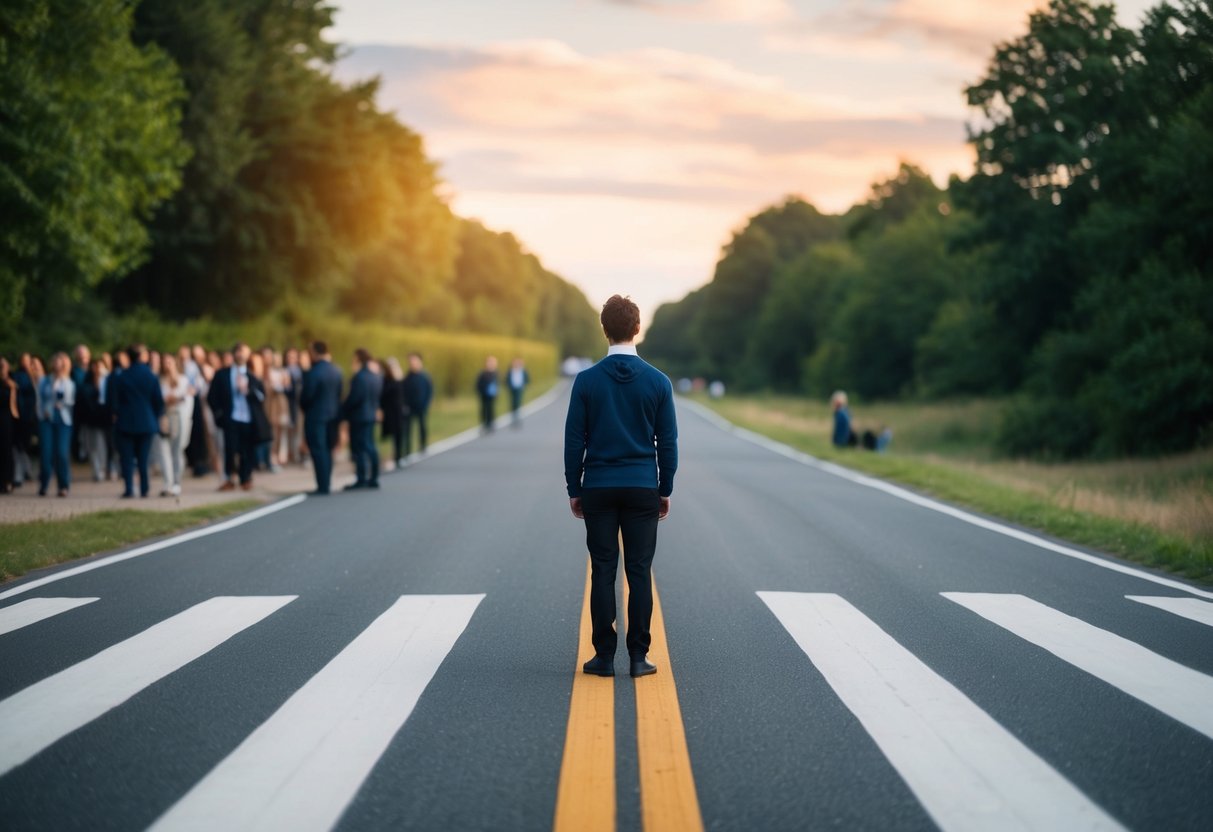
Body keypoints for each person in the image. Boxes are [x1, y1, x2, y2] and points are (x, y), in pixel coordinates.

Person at [564, 295, 678, 679]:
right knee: (639, 571)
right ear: (637, 329)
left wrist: (573, 488)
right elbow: (668, 442)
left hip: (598, 485)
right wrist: (666, 488)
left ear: (604, 330)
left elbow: (573, 441)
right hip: (642, 486)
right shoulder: (658, 382)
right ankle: (638, 656)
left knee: (603, 569)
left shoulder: (586, 381)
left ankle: (603, 656)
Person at [207, 342, 267, 491]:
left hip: (248, 418)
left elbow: (261, 397)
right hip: (230, 418)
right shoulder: (222, 374)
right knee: (229, 449)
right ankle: (228, 478)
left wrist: (248, 390)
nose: (240, 355)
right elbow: (212, 397)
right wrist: (219, 414)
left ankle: (245, 477)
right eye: (238, 352)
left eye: (244, 353)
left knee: (247, 450)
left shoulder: (252, 376)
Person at [111, 344, 165, 499]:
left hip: (125, 421)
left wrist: (117, 414)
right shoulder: (150, 376)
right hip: (146, 421)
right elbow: (158, 401)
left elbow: (114, 402)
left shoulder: (121, 376)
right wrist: (154, 416)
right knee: (143, 458)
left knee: (127, 458)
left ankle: (129, 488)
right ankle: (144, 488)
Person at [300, 340, 343, 495]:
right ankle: (327, 482)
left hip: (316, 416)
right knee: (328, 449)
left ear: (315, 352)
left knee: (318, 450)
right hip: (333, 416)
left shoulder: (314, 372)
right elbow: (339, 394)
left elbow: (306, 397)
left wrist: (305, 408)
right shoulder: (337, 371)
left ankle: (322, 485)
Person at [342, 348, 383, 490]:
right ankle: (374, 476)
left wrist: (343, 409)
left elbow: (354, 398)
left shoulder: (359, 377)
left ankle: (361, 478)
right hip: (370, 415)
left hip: (359, 416)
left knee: (359, 448)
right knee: (370, 446)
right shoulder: (375, 376)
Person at [36, 353, 76, 497]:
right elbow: (39, 400)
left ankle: (63, 485)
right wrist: (42, 414)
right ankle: (44, 483)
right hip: (47, 419)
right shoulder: (44, 381)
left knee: (61, 453)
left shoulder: (69, 382)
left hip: (63, 420)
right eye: (56, 363)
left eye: (61, 363)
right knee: (46, 453)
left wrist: (62, 403)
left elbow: (71, 401)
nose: (58, 366)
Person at [157, 353, 194, 496]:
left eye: (169, 362)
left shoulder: (183, 380)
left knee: (177, 450)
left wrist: (175, 398)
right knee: (164, 451)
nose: (167, 365)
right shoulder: (159, 381)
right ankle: (168, 483)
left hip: (179, 417)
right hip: (164, 417)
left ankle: (177, 482)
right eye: (164, 362)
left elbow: (185, 399)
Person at [78, 359, 112, 482]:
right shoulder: (87, 384)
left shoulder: (108, 381)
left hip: (104, 419)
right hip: (91, 418)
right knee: (92, 446)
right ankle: (97, 469)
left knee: (103, 445)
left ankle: (103, 468)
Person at [12, 353, 38, 488]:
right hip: (24, 416)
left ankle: (27, 470)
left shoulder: (36, 376)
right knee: (20, 446)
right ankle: (21, 473)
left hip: (34, 416)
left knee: (28, 446)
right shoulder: (19, 376)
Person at [402, 352, 433, 456]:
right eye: (411, 361)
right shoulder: (407, 377)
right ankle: (407, 450)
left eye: (415, 361)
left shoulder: (425, 376)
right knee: (407, 429)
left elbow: (430, 391)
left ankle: (423, 446)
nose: (412, 363)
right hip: (409, 407)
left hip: (422, 406)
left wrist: (428, 403)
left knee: (422, 427)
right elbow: (403, 392)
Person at [380, 357, 406, 467]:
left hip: (398, 411)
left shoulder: (400, 379)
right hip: (389, 410)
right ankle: (391, 456)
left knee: (399, 434)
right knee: (390, 434)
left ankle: (399, 456)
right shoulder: (385, 380)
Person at [0, 358, 18, 494]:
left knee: (7, 450)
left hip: (7, 419)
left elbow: (14, 406)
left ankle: (8, 480)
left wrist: (12, 389)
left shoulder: (12, 382)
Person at [476, 355, 499, 433]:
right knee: (484, 409)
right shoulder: (483, 373)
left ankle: (490, 423)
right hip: (483, 394)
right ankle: (484, 424)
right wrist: (480, 391)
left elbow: (496, 384)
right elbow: (478, 384)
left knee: (491, 409)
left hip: (491, 394)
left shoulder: (495, 373)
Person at [507, 357, 530, 426]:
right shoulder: (511, 371)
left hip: (519, 389)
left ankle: (517, 417)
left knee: (518, 402)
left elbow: (527, 379)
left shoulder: (523, 371)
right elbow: (507, 380)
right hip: (513, 389)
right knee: (513, 403)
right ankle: (513, 417)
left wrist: (524, 385)